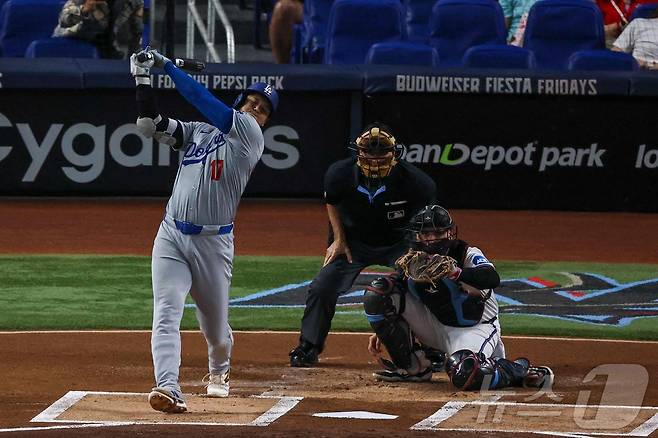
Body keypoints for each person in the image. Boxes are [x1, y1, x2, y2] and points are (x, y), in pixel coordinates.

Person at [130, 48, 279, 413]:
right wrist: (142, 78)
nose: (254, 109)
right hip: (171, 235)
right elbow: (149, 125)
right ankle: (168, 387)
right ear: (240, 101)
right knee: (166, 310)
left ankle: (219, 371)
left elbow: (198, 95)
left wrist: (165, 65)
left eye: (262, 108)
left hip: (213, 243)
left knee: (215, 328)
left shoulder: (248, 138)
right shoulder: (200, 132)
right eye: (251, 102)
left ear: (264, 122)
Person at [289, 123, 438, 367]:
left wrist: (413, 256)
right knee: (321, 287)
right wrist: (338, 239)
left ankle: (430, 347)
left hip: (399, 243)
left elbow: (424, 224)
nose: (376, 158)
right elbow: (332, 201)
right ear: (358, 152)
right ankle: (308, 346)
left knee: (421, 283)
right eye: (370, 151)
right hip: (354, 244)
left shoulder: (418, 183)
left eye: (382, 152)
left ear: (394, 153)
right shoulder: (339, 174)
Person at [364, 205, 554, 391]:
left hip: (474, 328)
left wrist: (456, 273)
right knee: (378, 293)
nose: (431, 240)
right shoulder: (413, 261)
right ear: (417, 236)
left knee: (466, 373)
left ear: (449, 233)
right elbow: (392, 294)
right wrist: (387, 329)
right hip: (433, 324)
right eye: (426, 234)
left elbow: (491, 278)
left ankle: (516, 369)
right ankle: (414, 368)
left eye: (437, 233)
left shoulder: (467, 254)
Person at [53, 0, 143, 58]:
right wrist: (84, 9)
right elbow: (63, 20)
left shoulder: (134, 2)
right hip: (74, 35)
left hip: (109, 43)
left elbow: (137, 31)